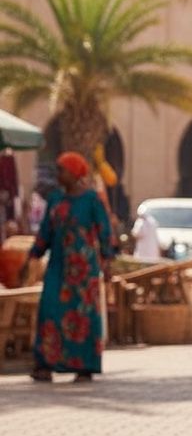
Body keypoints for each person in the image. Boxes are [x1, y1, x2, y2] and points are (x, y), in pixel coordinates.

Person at [21, 152, 113, 384]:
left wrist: (108, 261)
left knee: (84, 316)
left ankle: (85, 367)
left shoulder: (92, 200)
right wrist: (32, 256)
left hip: (84, 272)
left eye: (62, 170)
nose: (58, 175)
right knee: (49, 310)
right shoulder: (54, 200)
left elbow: (104, 231)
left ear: (74, 173)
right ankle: (44, 365)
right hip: (58, 267)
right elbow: (45, 233)